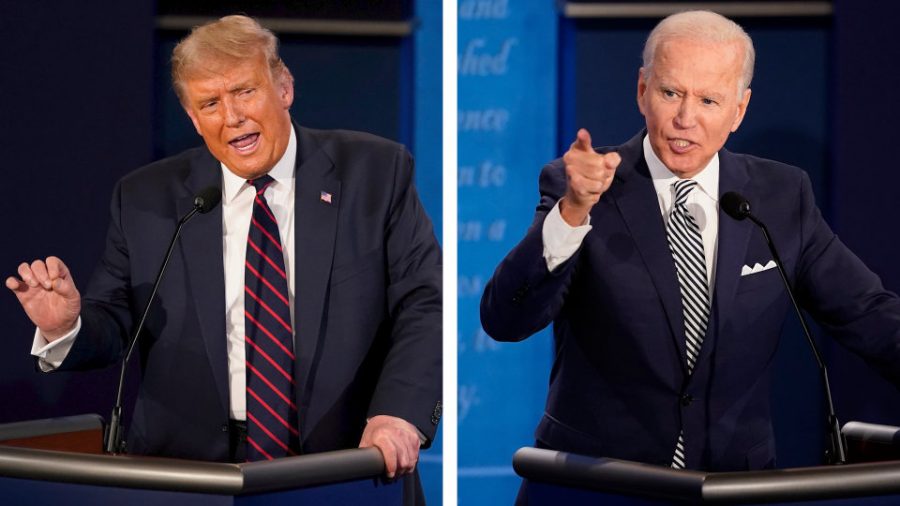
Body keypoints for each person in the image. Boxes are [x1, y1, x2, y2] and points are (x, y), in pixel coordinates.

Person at [6, 14, 441, 499]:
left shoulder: (374, 174)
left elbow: (425, 303)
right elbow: (115, 321)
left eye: (244, 92)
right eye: (210, 103)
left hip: (346, 468)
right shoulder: (148, 199)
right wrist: (67, 326)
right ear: (193, 118)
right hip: (190, 478)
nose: (230, 116)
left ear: (284, 88)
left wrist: (398, 414)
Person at [481, 9, 900, 475]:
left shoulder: (780, 196)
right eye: (670, 93)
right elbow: (505, 319)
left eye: (708, 101)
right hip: (599, 481)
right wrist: (573, 212)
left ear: (739, 109)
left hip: (731, 482)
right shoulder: (583, 186)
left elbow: (868, 313)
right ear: (643, 91)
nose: (685, 118)